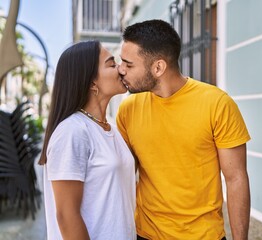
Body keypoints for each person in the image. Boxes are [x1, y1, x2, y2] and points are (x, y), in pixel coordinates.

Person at [116, 19, 251, 240]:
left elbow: (236, 178)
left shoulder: (217, 104)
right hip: (145, 234)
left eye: (129, 64)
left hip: (203, 235)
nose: (121, 70)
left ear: (158, 67)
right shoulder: (128, 109)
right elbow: (124, 176)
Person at [39, 40, 136, 240]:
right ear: (92, 83)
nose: (120, 69)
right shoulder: (72, 132)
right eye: (111, 64)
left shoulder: (111, 128)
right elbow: (66, 216)